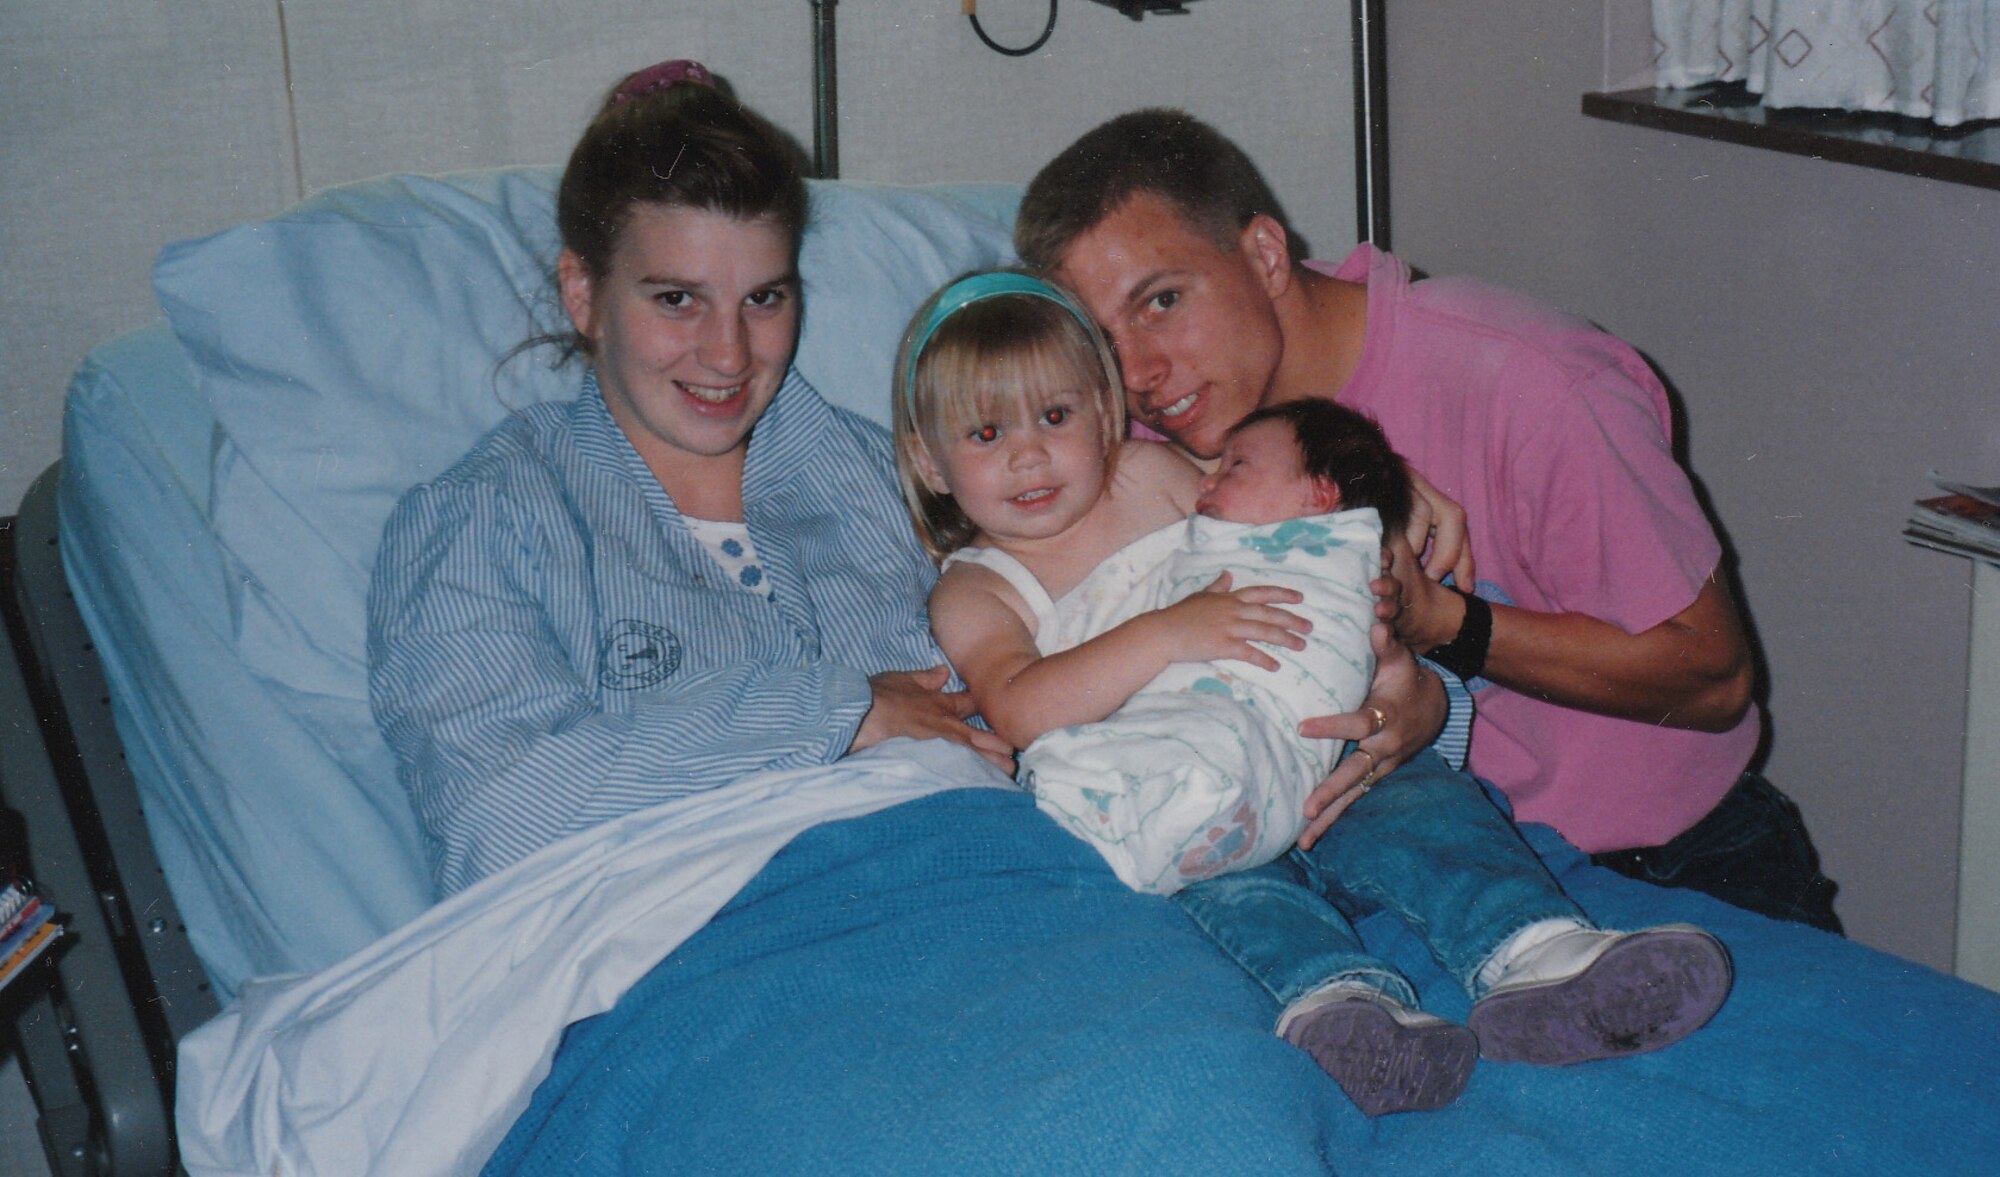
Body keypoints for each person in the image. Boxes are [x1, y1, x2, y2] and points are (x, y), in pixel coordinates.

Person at [897, 273, 1733, 1118]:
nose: (1029, 455)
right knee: (1232, 893)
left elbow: (1294, 508)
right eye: (985, 432)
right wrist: (1169, 630)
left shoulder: (1153, 475)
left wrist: (1393, 560)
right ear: (931, 460)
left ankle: (1541, 949)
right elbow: (1020, 707)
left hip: (1311, 738)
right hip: (1183, 796)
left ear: (1106, 415)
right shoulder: (976, 588)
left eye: (1056, 417)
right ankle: (1342, 1009)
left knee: (1426, 803)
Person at [1014, 108, 1842, 933]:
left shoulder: (1535, 386)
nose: (1139, 377)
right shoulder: (1161, 434)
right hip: (1412, 862)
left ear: (1264, 255)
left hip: (1666, 860)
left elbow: (1715, 679)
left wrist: (1446, 623)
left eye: (1161, 301)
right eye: (1099, 339)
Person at [367, 60, 1009, 897]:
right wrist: (830, 713)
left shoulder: (903, 477)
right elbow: (500, 821)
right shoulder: (484, 521)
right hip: (704, 962)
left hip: (991, 892)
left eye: (764, 298)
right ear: (583, 292)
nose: (729, 354)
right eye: (677, 300)